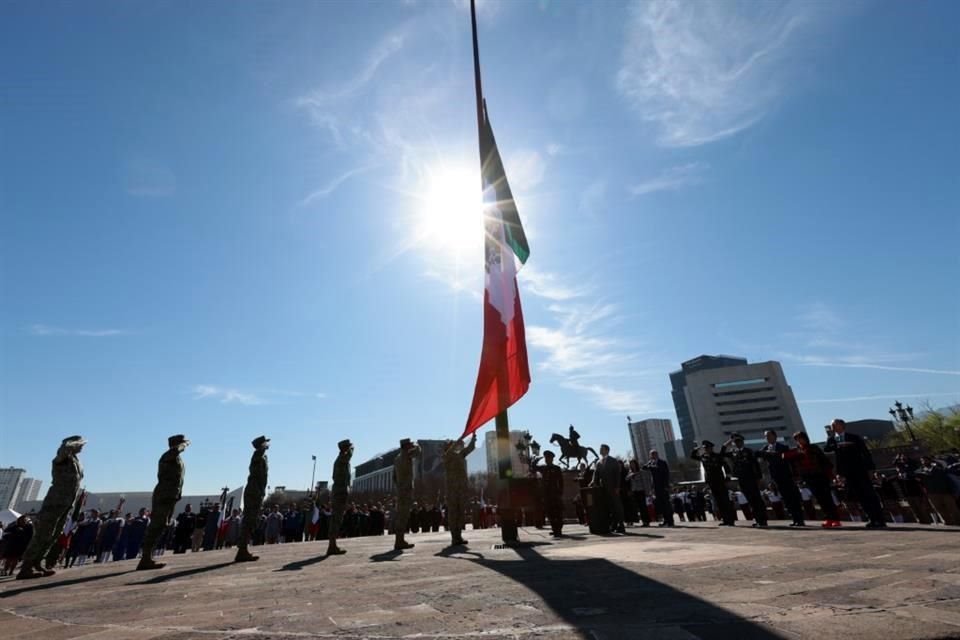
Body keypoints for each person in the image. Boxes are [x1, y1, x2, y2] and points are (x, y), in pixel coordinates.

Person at [18, 435, 86, 580]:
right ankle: (26, 566)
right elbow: (64, 449)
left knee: (54, 534)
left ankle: (38, 562)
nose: (82, 446)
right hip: (55, 502)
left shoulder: (76, 461)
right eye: (80, 444)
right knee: (43, 533)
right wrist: (72, 442)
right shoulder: (62, 458)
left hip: (67, 503)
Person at [137, 434, 189, 570]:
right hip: (164, 495)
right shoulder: (168, 455)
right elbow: (175, 451)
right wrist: (183, 445)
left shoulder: (176, 458)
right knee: (156, 525)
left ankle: (148, 557)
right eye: (182, 443)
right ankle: (145, 558)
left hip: (170, 495)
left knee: (161, 525)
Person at [825, 419, 886, 528]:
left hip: (860, 470)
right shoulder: (832, 439)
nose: (832, 427)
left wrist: (871, 469)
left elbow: (865, 452)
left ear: (842, 425)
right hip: (847, 472)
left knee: (869, 494)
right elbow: (827, 449)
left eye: (834, 425)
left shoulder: (853, 437)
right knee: (859, 496)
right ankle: (871, 518)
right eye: (831, 425)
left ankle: (879, 519)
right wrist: (836, 444)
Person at [784, 431, 840, 528]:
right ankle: (828, 518)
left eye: (800, 438)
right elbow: (786, 458)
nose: (799, 441)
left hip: (820, 475)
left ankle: (835, 519)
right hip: (809, 477)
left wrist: (831, 475)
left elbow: (824, 461)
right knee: (819, 499)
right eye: (797, 439)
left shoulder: (813, 448)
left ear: (805, 438)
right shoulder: (796, 451)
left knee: (827, 498)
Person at [759, 430, 806, 527]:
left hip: (787, 476)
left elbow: (791, 462)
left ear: (775, 436)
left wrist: (795, 475)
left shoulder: (783, 447)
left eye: (769, 435)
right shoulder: (764, 449)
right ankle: (794, 518)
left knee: (793, 498)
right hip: (775, 478)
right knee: (785, 499)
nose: (768, 438)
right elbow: (762, 461)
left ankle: (800, 519)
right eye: (766, 436)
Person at [721, 434, 768, 528]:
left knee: (756, 499)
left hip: (751, 478)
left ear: (742, 442)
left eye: (739, 441)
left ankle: (763, 520)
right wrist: (728, 442)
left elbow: (756, 465)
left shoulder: (749, 451)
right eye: (736, 442)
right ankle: (757, 519)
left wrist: (759, 478)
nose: (738, 443)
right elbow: (722, 453)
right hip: (741, 479)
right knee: (750, 499)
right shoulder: (733, 452)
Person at [236, 435, 269, 562]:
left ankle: (243, 549)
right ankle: (242, 550)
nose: (268, 445)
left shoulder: (262, 457)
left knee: (251, 521)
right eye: (265, 443)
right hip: (254, 492)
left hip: (257, 491)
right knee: (249, 520)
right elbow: (257, 475)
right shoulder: (258, 456)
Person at [690, 440, 736, 526]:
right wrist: (696, 449)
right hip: (711, 482)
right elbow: (693, 456)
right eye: (705, 448)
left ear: (711, 448)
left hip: (720, 481)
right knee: (718, 502)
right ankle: (725, 520)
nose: (706, 449)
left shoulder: (717, 456)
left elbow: (725, 465)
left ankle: (730, 520)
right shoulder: (703, 457)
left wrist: (728, 476)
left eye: (708, 448)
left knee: (725, 501)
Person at [442, 434, 476, 546]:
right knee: (453, 514)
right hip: (452, 490)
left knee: (461, 513)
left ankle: (459, 536)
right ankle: (454, 537)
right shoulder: (447, 456)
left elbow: (469, 449)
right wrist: (458, 440)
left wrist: (473, 439)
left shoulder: (459, 455)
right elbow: (451, 450)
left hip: (461, 489)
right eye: (451, 445)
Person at [915, 456, 960, 525]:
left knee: (952, 508)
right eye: (922, 461)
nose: (924, 462)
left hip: (945, 492)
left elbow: (948, 475)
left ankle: (958, 521)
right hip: (932, 493)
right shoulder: (920, 471)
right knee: (939, 509)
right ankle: (948, 522)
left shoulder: (939, 468)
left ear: (930, 460)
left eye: (925, 460)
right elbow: (918, 480)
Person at [393, 438, 420, 551]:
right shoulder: (406, 456)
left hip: (401, 490)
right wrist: (417, 445)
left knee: (401, 516)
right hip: (406, 490)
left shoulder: (397, 458)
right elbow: (418, 452)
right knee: (403, 516)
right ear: (406, 446)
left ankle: (400, 540)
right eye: (409, 445)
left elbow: (394, 477)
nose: (411, 446)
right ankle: (399, 541)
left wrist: (399, 486)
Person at [326, 439, 353, 556]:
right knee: (336, 518)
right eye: (349, 447)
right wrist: (352, 449)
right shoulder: (342, 458)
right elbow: (348, 456)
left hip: (340, 490)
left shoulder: (341, 460)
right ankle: (332, 546)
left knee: (338, 518)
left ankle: (333, 545)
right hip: (340, 491)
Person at [592, 444, 626, 534]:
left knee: (617, 506)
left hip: (613, 488)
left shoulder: (613, 461)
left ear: (607, 450)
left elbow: (617, 475)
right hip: (603, 489)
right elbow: (596, 474)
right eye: (600, 448)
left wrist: (617, 487)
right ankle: (613, 525)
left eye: (602, 449)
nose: (600, 450)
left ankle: (621, 525)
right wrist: (593, 482)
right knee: (609, 507)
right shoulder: (598, 462)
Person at [532, 450, 565, 537]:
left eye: (548, 458)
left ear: (552, 459)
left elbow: (561, 481)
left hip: (555, 493)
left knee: (558, 512)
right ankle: (554, 529)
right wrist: (536, 459)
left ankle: (559, 530)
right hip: (546, 494)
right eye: (546, 458)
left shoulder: (557, 468)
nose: (547, 460)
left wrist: (560, 492)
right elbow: (533, 467)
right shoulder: (543, 468)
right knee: (549, 513)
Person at [643, 450, 674, 527]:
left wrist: (666, 486)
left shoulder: (662, 462)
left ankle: (670, 521)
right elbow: (644, 467)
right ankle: (665, 521)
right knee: (661, 505)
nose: (653, 456)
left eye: (654, 454)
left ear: (657, 454)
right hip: (656, 487)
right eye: (652, 454)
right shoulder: (651, 463)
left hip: (663, 486)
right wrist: (650, 464)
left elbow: (666, 474)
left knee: (666, 504)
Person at [626, 459, 650, 527]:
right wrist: (631, 475)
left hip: (641, 490)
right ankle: (642, 520)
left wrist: (647, 491)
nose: (632, 465)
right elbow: (626, 479)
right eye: (631, 464)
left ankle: (646, 521)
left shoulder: (641, 472)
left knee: (643, 507)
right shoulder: (630, 472)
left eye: (633, 464)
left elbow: (645, 482)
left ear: (636, 464)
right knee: (638, 507)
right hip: (634, 490)